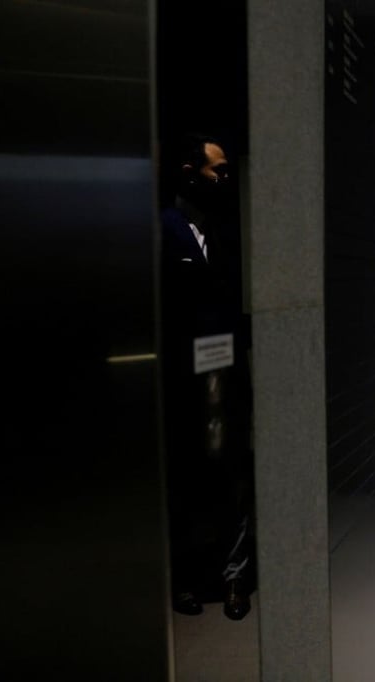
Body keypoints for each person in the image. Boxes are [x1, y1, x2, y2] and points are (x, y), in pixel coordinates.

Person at [161, 133, 254, 621]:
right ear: (189, 173)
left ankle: (234, 576)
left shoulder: (224, 232)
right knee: (187, 480)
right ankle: (187, 579)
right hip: (183, 381)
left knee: (233, 476)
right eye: (214, 169)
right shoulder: (164, 229)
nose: (221, 178)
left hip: (227, 375)